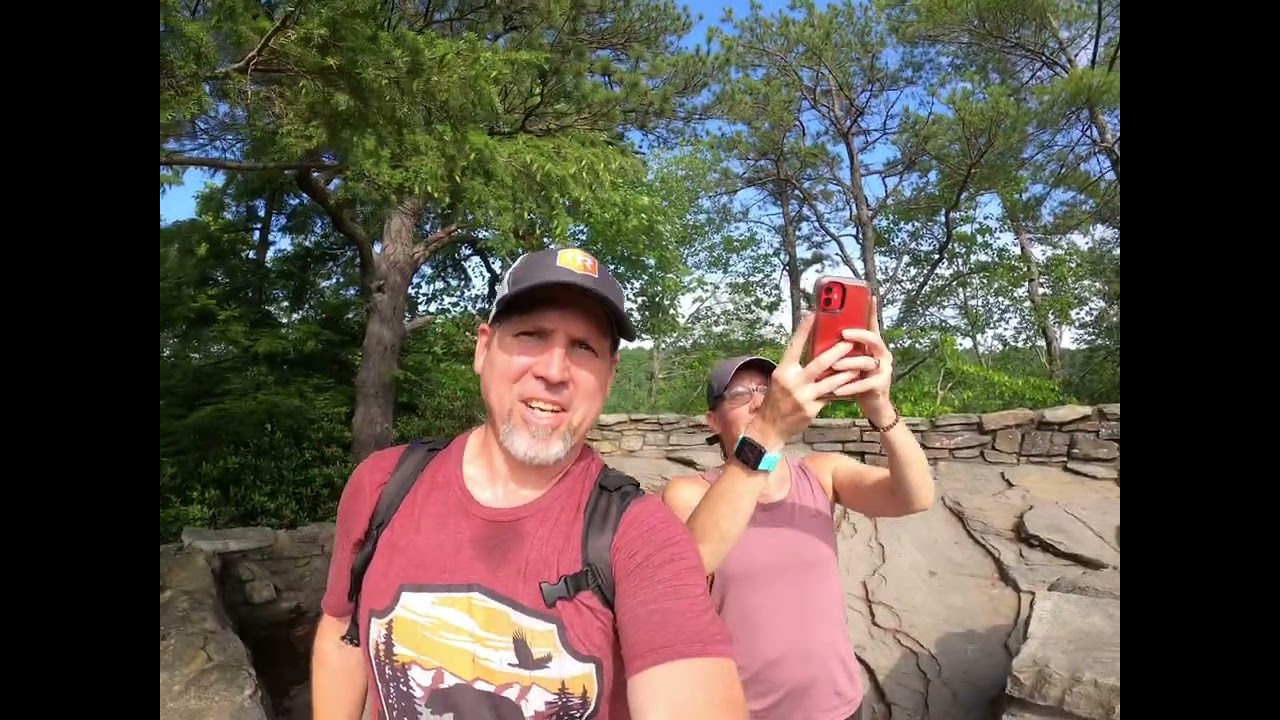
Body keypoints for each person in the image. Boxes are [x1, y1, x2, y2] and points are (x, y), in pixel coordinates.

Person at [312, 247, 747, 720]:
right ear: (483, 349)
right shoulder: (383, 484)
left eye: (584, 347)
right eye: (531, 335)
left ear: (609, 376)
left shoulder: (642, 537)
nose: (553, 371)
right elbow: (341, 630)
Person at [661, 308, 936, 720]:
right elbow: (689, 568)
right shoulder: (689, 494)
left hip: (838, 706)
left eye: (766, 389)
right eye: (739, 395)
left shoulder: (821, 474)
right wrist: (766, 435)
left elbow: (915, 496)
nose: (759, 401)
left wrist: (880, 406)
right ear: (712, 421)